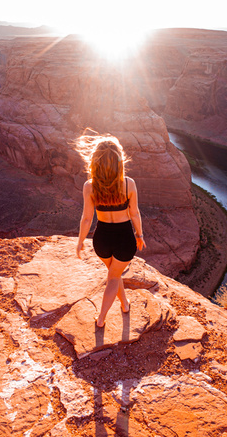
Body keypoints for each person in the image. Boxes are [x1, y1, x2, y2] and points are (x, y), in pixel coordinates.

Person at [75, 134, 146, 328]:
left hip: (102, 239)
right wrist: (139, 235)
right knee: (114, 276)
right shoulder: (128, 183)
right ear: (119, 160)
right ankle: (101, 318)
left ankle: (124, 304)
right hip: (124, 238)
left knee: (113, 274)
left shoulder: (90, 186)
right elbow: (135, 213)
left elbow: (87, 218)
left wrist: (80, 241)